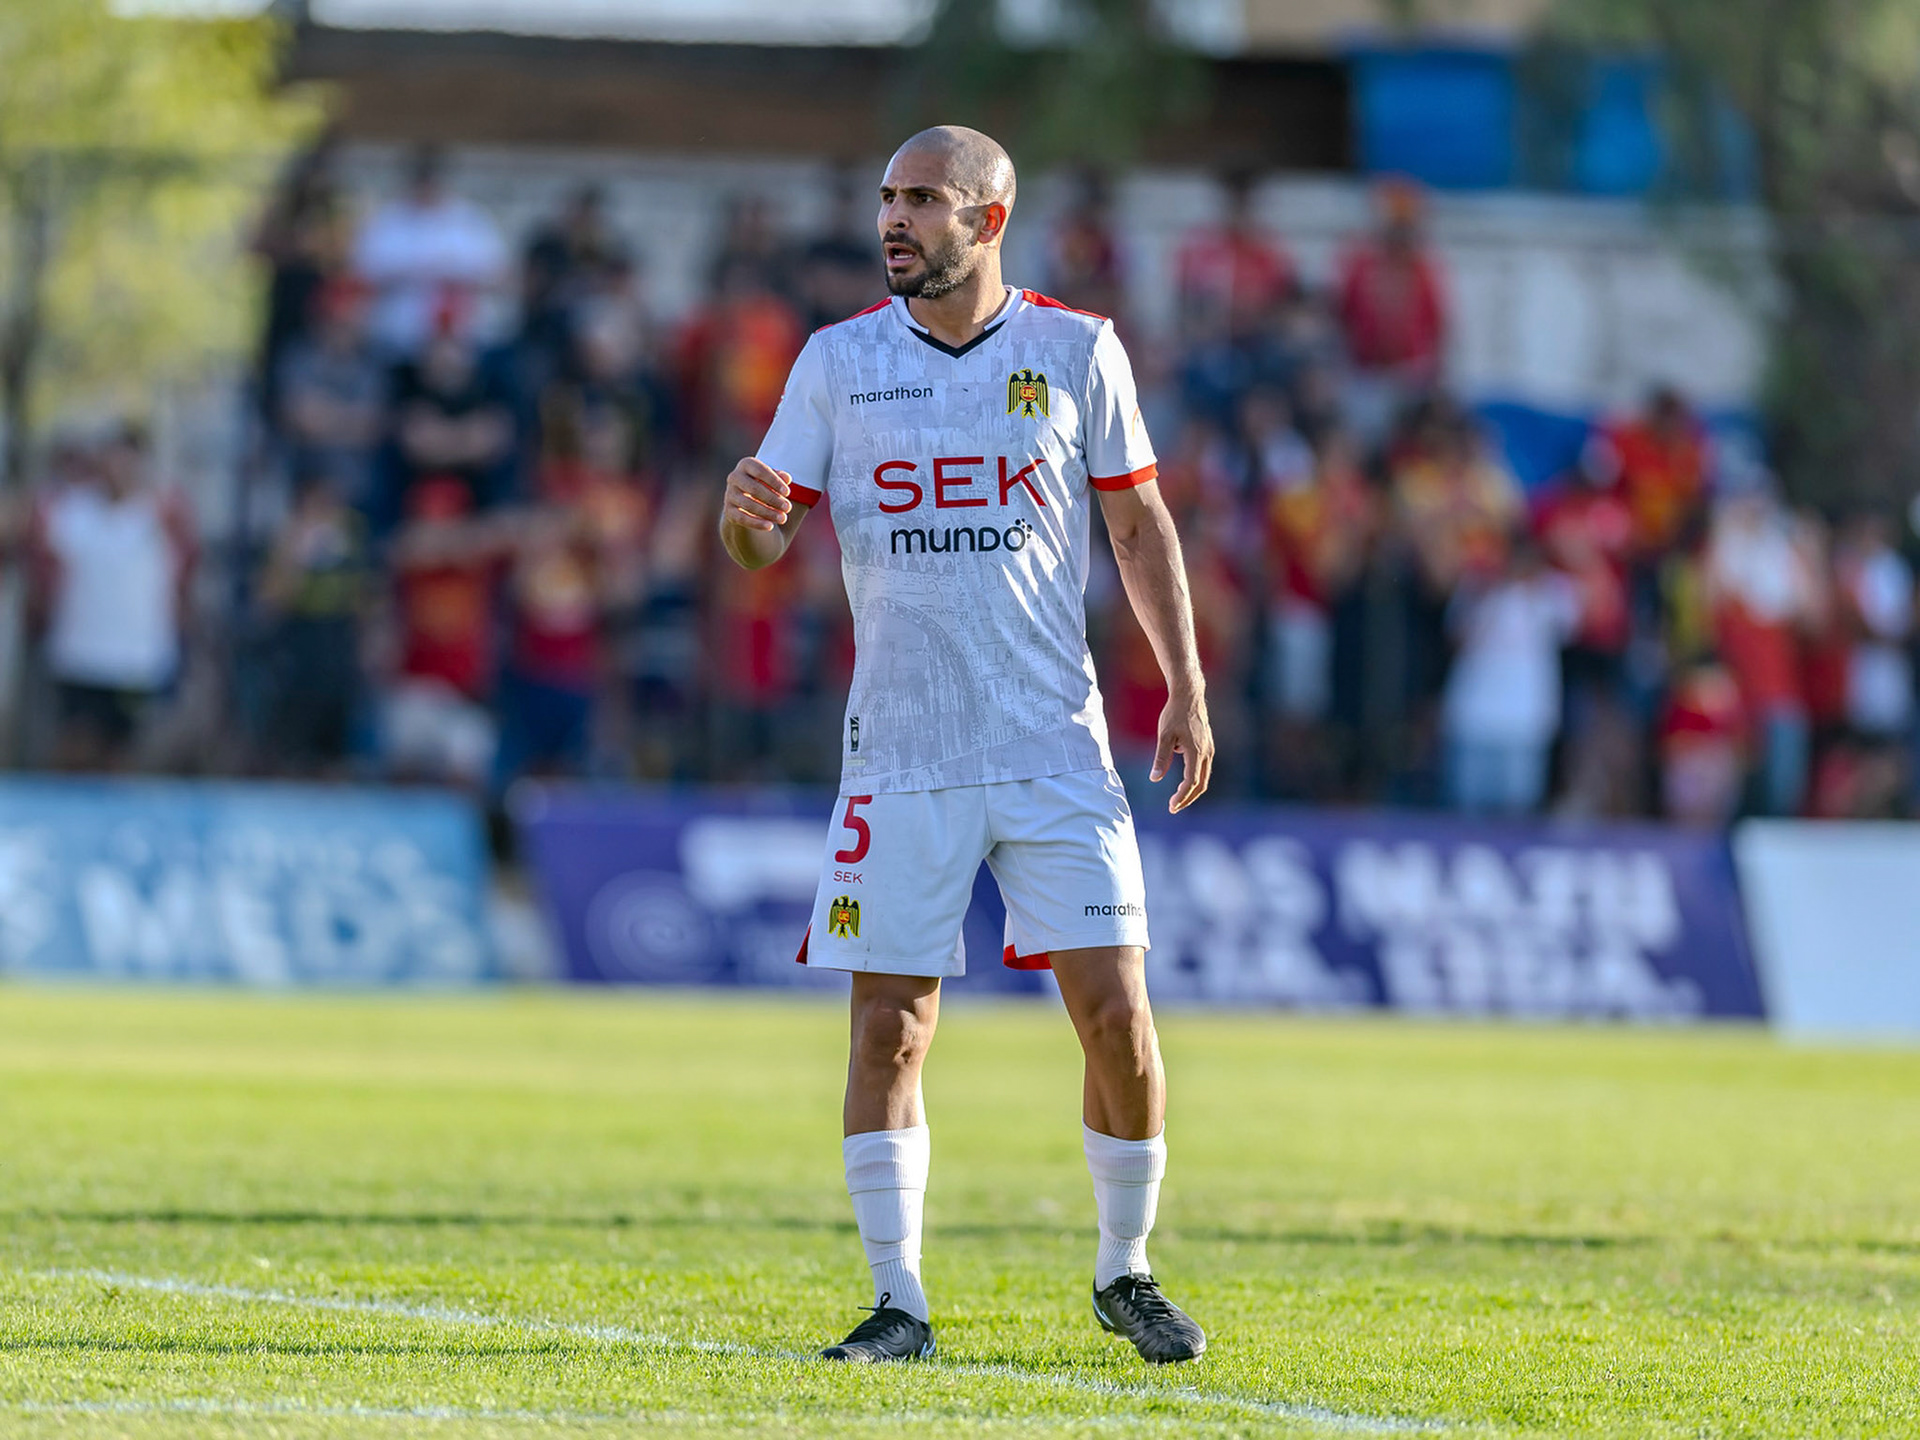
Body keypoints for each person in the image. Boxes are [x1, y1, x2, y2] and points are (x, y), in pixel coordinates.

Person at [718, 126, 1213, 1365]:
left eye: (923, 201)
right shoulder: (836, 364)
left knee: (1120, 1021)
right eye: (886, 198)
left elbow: (1141, 526)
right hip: (899, 752)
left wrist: (1186, 691)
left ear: (988, 222)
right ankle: (900, 1304)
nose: (895, 220)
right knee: (889, 1028)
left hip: (1053, 745)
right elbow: (760, 545)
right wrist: (747, 528)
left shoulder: (1076, 348)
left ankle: (1127, 1269)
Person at [28, 424, 197, 771]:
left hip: (135, 661)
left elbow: (186, 575)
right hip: (79, 656)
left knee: (121, 756)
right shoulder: (70, 511)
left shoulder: (161, 512)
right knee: (74, 748)